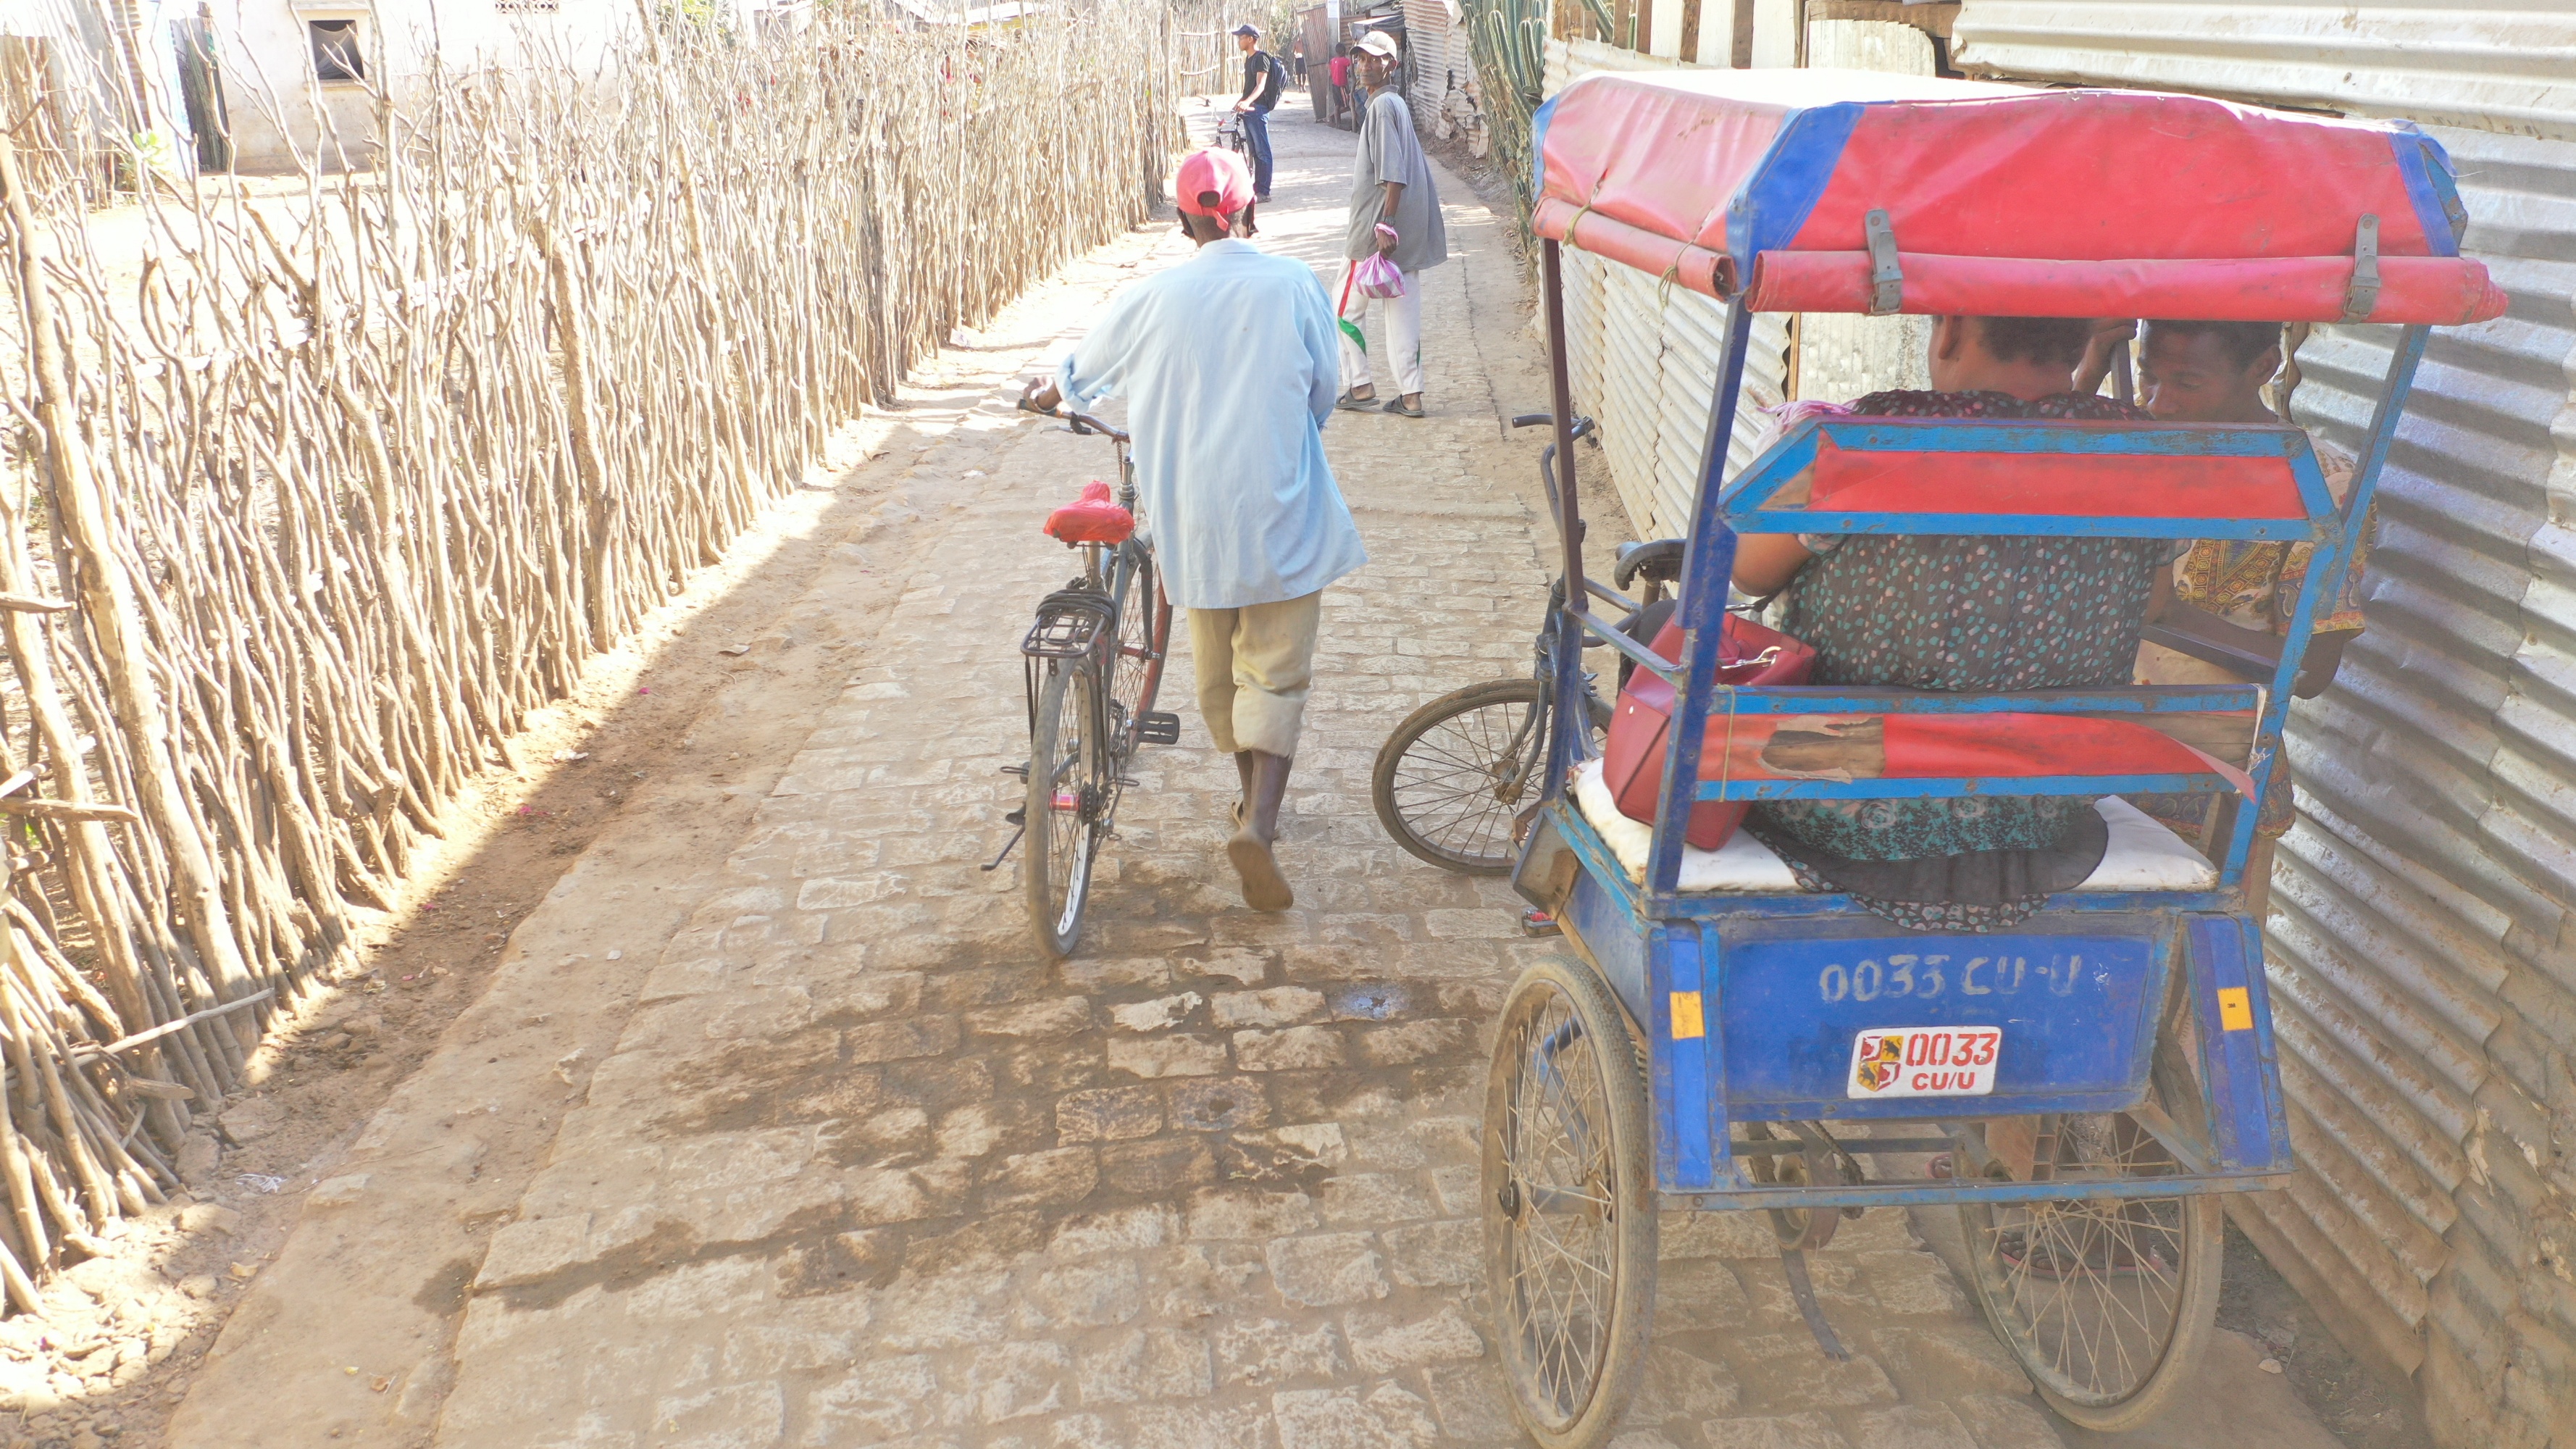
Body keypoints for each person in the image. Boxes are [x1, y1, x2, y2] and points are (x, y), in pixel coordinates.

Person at [1729, 316, 2169, 932]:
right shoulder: (2145, 451)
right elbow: (2151, 605)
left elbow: (1746, 573)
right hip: (2046, 811)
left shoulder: (1870, 436)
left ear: (1951, 331)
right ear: (2077, 340)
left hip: (1844, 807)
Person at [1022, 149, 1366, 913]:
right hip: (1283, 514)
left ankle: (1248, 809)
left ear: (1182, 222)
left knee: (1216, 679)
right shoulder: (1293, 285)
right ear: (1249, 211)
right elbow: (1323, 392)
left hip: (1193, 521)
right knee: (1273, 673)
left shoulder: (1153, 295)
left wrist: (1044, 392)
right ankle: (1261, 825)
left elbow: (1079, 373)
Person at [2086, 318, 2372, 914]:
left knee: (2193, 989)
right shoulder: (2132, 451)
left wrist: (2171, 615)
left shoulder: (2323, 486)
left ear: (2264, 367)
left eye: (2187, 382)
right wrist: (2088, 370)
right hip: (2086, 769)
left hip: (2215, 789)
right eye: (2149, 378)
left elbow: (2310, 670)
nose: (2159, 403)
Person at [1336, 30, 1446, 419]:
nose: (1365, 64)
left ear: (1391, 65)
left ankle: (1360, 384)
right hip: (1405, 232)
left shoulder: (1382, 107)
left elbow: (1392, 175)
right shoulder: (1394, 103)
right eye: (1361, 57)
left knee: (1343, 309)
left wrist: (1386, 224)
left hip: (1377, 230)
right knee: (1403, 311)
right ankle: (1410, 394)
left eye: (1375, 58)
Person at [1231, 23, 1284, 203]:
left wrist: (1247, 102)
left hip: (1258, 109)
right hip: (1249, 110)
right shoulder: (1249, 59)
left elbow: (1260, 86)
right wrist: (1240, 102)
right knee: (1255, 152)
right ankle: (1257, 188)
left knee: (1263, 151)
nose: (1239, 40)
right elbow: (1249, 88)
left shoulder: (1261, 59)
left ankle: (1264, 191)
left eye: (1241, 37)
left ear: (1251, 39)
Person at [1328, 45, 1352, 128]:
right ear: (1343, 52)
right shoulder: (1344, 60)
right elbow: (1351, 63)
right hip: (1341, 85)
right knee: (1346, 105)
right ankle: (1332, 116)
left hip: (1334, 85)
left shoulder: (1332, 61)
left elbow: (1330, 74)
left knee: (1337, 104)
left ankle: (1337, 123)